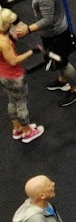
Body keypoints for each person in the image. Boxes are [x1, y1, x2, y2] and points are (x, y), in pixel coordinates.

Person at [13, 0, 76, 106]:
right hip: (54, 32)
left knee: (62, 62)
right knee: (56, 59)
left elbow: (47, 20)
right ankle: (63, 80)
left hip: (55, 34)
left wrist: (28, 29)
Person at [0, 8, 43, 143]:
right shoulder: (4, 42)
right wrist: (32, 51)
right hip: (14, 77)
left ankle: (17, 129)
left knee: (12, 101)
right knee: (21, 104)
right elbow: (13, 61)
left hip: (3, 75)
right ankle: (27, 132)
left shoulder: (3, 35)